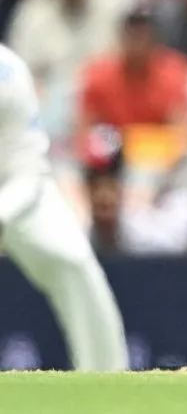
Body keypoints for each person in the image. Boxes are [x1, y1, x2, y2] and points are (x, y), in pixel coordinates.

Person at [0, 42, 128, 371]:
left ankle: (106, 380)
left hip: (15, 192)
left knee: (72, 260)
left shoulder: (9, 72)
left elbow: (28, 170)